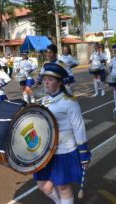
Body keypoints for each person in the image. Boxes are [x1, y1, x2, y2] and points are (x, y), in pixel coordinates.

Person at [34, 62, 91, 204]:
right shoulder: (45, 100)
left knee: (63, 187)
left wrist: (83, 152)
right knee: (44, 186)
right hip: (46, 151)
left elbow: (78, 127)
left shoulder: (69, 102)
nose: (46, 82)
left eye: (50, 79)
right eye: (45, 79)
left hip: (63, 150)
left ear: (59, 83)